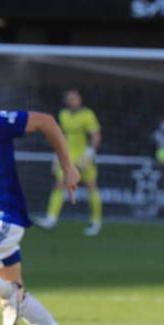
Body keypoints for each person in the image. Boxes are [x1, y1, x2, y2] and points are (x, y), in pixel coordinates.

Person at [0, 109, 88, 325]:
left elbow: (46, 121)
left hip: (3, 220)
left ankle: (9, 292)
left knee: (9, 293)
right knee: (19, 297)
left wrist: (67, 165)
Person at [38, 89, 103, 236]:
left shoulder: (87, 114)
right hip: (67, 156)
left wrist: (90, 152)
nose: (72, 101)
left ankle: (96, 221)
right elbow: (60, 135)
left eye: (74, 98)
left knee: (91, 186)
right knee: (59, 183)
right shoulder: (63, 114)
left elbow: (96, 135)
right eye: (69, 98)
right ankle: (51, 219)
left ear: (80, 99)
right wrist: (56, 154)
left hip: (83, 157)